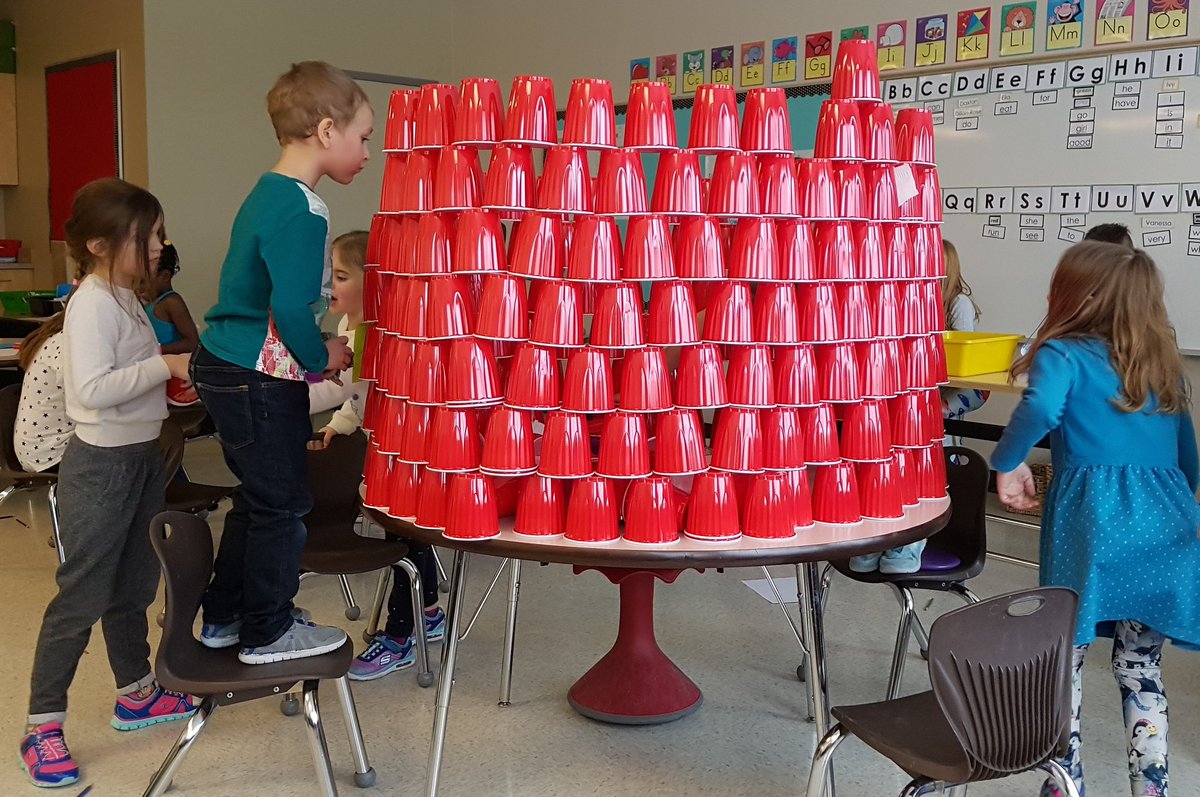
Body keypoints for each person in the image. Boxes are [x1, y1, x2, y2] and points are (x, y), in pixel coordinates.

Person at [994, 241, 1200, 797]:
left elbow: (1041, 408)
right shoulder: (1163, 363)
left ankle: (1065, 788)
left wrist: (1007, 461)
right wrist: (1175, 511)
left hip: (1092, 524)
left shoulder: (1062, 353)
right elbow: (1188, 458)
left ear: (1073, 297)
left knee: (1066, 660)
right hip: (1168, 527)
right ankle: (1152, 790)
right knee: (1141, 668)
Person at [19, 179, 196, 788]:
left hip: (139, 457)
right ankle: (42, 726)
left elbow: (128, 379)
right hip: (100, 468)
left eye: (159, 233)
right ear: (99, 244)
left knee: (134, 583)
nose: (159, 245)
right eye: (147, 236)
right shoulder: (92, 302)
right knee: (82, 596)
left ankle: (136, 693)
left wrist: (170, 385)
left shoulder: (125, 296)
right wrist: (164, 365)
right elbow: (90, 391)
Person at [192, 61, 366, 665]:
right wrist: (322, 357)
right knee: (284, 504)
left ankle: (226, 617)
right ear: (327, 130)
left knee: (259, 498)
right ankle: (268, 631)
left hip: (230, 365)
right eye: (363, 137)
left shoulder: (268, 192)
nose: (367, 152)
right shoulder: (304, 209)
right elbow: (289, 306)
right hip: (256, 376)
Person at [305, 229, 446, 680]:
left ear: (375, 281)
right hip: (389, 450)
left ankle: (400, 637)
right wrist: (338, 425)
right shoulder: (349, 329)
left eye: (341, 276)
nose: (329, 285)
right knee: (409, 537)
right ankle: (428, 614)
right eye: (329, 274)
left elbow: (337, 387)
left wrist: (276, 393)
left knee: (403, 538)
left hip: (410, 453)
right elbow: (356, 397)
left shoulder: (370, 333)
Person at [143, 242, 199, 354]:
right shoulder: (148, 303)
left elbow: (192, 343)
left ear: (165, 276)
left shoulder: (171, 302)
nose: (140, 284)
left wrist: (155, 350)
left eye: (144, 279)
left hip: (169, 363)